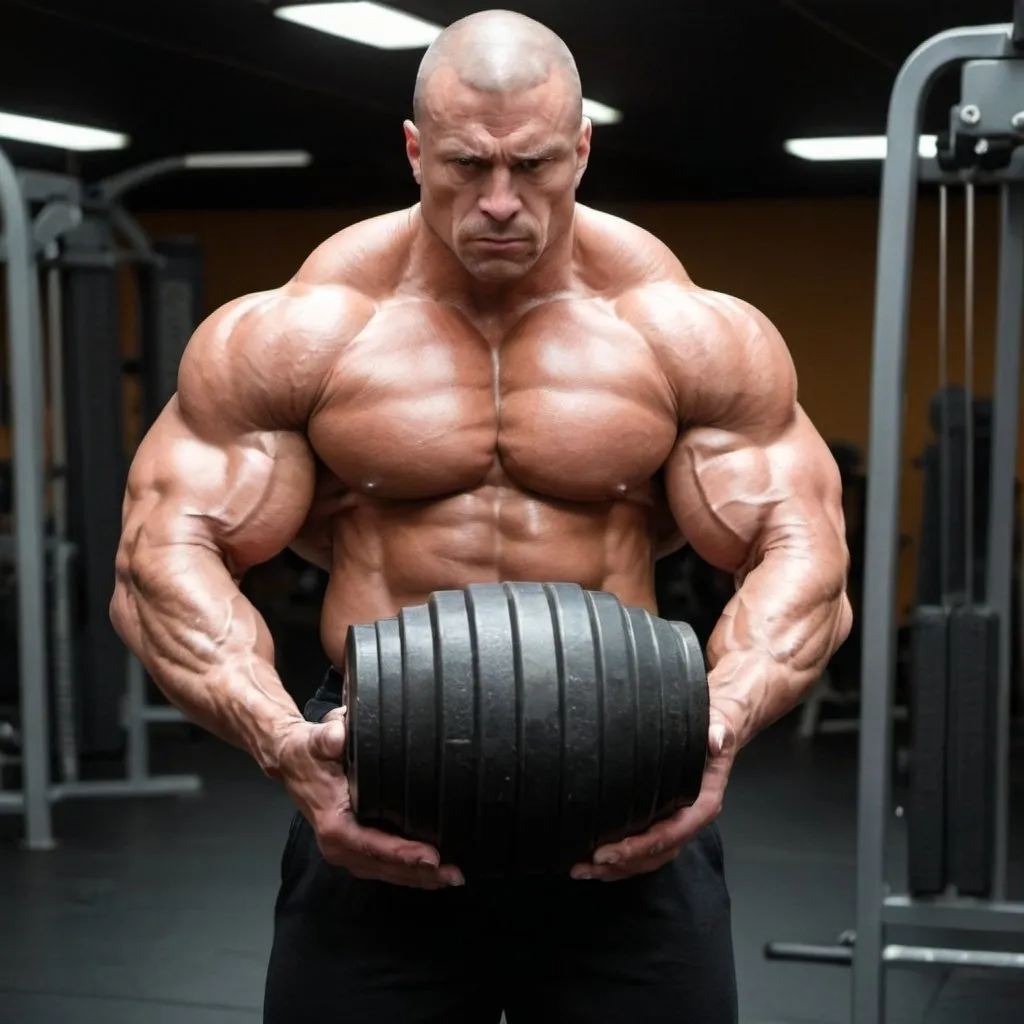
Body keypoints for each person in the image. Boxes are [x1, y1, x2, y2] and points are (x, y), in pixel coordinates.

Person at [110, 9, 852, 1024]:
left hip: (628, 772)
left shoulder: (681, 330)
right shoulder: (305, 330)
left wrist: (716, 725)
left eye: (535, 165)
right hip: (377, 774)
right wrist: (286, 743)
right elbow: (158, 560)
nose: (500, 202)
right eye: (465, 165)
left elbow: (802, 550)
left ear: (582, 147)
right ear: (414, 149)